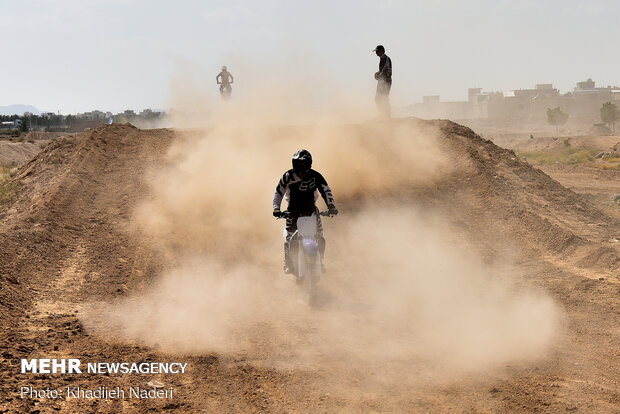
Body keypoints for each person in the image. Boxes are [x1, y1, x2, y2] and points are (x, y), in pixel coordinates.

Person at [273, 149, 338, 274]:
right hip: (292, 212)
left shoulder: (316, 176)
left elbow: (326, 190)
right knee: (289, 237)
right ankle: (289, 264)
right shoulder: (288, 176)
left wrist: (331, 207)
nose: (300, 167)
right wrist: (276, 208)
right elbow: (278, 193)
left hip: (312, 212)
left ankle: (320, 262)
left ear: (308, 163)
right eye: (297, 163)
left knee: (320, 236)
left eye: (302, 164)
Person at [373, 45, 392, 118]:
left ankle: (386, 116)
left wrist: (379, 75)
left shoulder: (386, 58)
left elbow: (387, 71)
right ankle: (383, 115)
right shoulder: (382, 58)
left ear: (381, 51)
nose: (376, 52)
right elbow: (383, 70)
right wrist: (378, 73)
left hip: (385, 81)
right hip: (382, 81)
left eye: (377, 51)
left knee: (383, 98)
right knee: (378, 98)